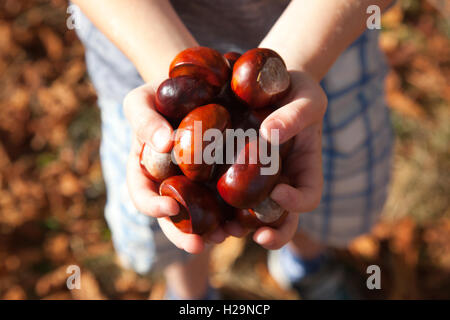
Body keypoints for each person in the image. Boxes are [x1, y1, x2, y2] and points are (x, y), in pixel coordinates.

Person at [72, 0, 394, 299]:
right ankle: (190, 295)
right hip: (137, 43)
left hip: (328, 34)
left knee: (311, 191)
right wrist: (164, 73)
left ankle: (306, 265)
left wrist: (298, 65)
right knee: (170, 225)